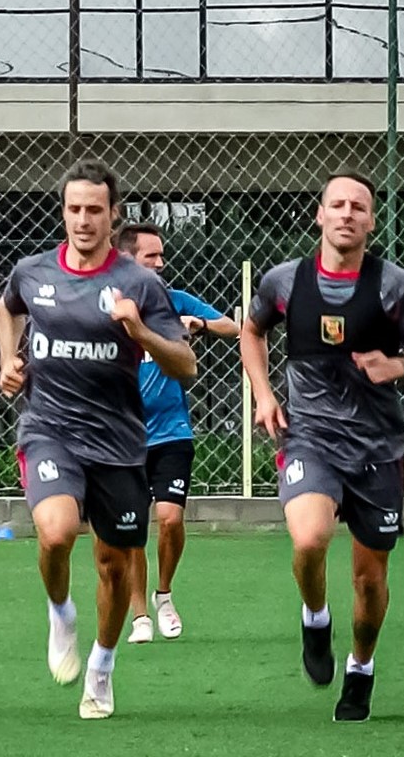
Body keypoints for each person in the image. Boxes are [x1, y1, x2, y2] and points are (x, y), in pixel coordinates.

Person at [0, 160, 194, 721]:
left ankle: (102, 669)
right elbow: (7, 310)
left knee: (112, 564)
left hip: (120, 443)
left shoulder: (139, 284)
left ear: (113, 216)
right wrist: (9, 359)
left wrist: (140, 331)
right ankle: (61, 612)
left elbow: (186, 365)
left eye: (94, 210)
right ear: (64, 212)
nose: (83, 220)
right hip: (49, 429)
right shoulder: (32, 272)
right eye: (74, 209)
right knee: (56, 533)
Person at [241, 171, 404, 723]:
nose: (347, 212)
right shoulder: (285, 282)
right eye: (338, 204)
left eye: (359, 206)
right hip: (310, 436)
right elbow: (251, 332)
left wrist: (395, 365)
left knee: (368, 578)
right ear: (320, 215)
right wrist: (263, 395)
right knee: (308, 539)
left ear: (371, 221)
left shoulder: (393, 286)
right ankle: (314, 619)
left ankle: (361, 668)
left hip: (378, 448)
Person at [114, 221, 240, 645]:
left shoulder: (171, 302)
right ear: (128, 259)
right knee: (131, 529)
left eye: (162, 255)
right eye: (153, 256)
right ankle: (139, 617)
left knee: (169, 519)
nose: (161, 263)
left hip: (171, 432)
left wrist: (198, 326)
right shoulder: (105, 311)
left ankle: (163, 595)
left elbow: (234, 327)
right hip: (123, 438)